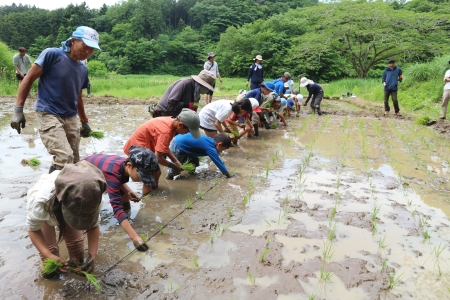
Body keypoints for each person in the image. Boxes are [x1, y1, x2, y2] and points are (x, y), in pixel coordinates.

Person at [10, 26, 101, 174]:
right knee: (65, 157)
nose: (88, 52)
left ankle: (61, 189)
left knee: (74, 159)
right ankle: (55, 193)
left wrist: (84, 121)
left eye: (92, 49)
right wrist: (18, 110)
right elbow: (28, 79)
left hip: (70, 115)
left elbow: (78, 95)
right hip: (48, 112)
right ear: (73, 41)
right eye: (85, 46)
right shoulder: (52, 55)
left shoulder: (83, 68)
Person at [26, 161, 106, 278]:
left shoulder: (93, 196)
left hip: (69, 203)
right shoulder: (41, 201)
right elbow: (33, 230)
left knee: (78, 252)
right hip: (50, 209)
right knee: (50, 258)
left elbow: (93, 226)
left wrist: (92, 255)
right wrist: (48, 255)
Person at [84, 146, 159, 252]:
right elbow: (117, 208)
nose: (142, 180)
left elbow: (118, 178)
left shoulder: (123, 164)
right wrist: (135, 238)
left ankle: (126, 212)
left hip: (95, 166)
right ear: (129, 165)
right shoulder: (111, 173)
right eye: (141, 176)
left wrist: (128, 191)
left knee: (122, 191)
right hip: (84, 178)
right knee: (89, 207)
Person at [123, 109, 201, 194]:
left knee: (158, 172)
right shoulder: (166, 132)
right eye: (188, 131)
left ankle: (155, 190)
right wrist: (174, 167)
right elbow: (158, 157)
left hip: (146, 150)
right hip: (138, 151)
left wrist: (176, 161)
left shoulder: (170, 122)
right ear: (180, 125)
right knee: (148, 178)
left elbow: (164, 146)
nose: (187, 133)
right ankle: (147, 198)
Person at [150, 70, 215, 118]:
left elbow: (194, 106)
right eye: (206, 87)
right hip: (164, 112)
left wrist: (201, 107)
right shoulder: (184, 84)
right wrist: (187, 105)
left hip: (177, 115)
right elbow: (171, 103)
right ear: (201, 84)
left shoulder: (197, 92)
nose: (207, 90)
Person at [167, 133, 232, 179]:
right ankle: (170, 176)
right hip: (178, 145)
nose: (221, 151)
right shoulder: (211, 148)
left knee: (194, 161)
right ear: (219, 144)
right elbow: (219, 163)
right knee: (176, 166)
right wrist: (228, 175)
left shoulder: (211, 141)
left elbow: (218, 159)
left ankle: (191, 174)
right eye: (223, 149)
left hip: (187, 146)